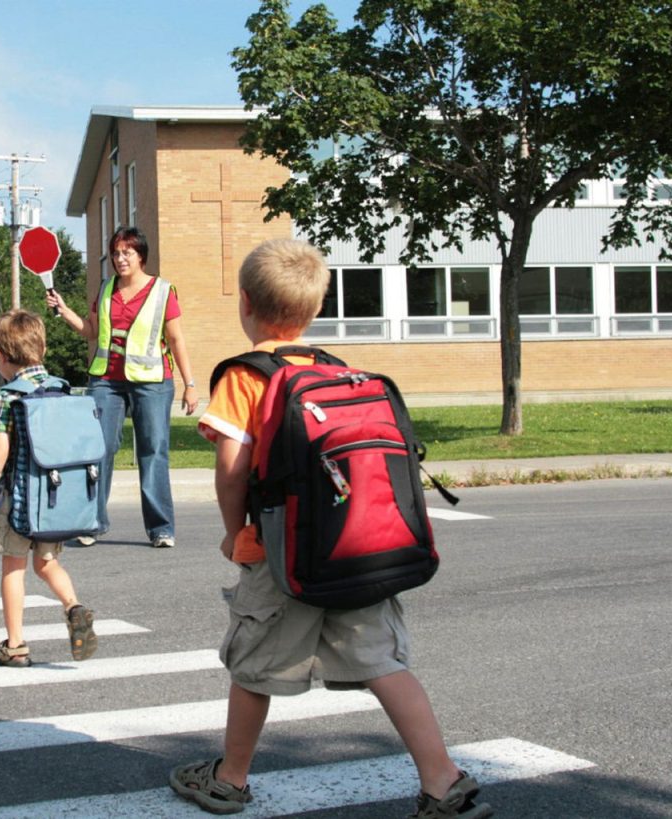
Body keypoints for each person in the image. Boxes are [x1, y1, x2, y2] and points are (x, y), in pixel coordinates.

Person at [168, 240, 493, 819]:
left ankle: (230, 778)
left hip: (281, 552)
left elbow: (231, 471)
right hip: (353, 546)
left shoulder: (244, 378)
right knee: (385, 663)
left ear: (244, 303)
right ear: (314, 311)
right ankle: (443, 780)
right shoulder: (336, 372)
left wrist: (232, 531)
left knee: (255, 666)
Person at [45, 226, 197, 548]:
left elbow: (176, 339)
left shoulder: (162, 291)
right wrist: (64, 310)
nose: (120, 258)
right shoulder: (105, 289)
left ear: (141, 255)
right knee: (99, 449)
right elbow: (90, 332)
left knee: (153, 451)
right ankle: (92, 523)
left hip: (152, 382)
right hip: (106, 380)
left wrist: (191, 384)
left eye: (127, 252)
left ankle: (161, 529)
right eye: (115, 253)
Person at [0, 309, 98, 666]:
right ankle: (73, 605)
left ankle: (16, 644)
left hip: (18, 501)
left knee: (13, 568)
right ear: (43, 347)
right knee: (47, 562)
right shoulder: (61, 389)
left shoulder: (8, 396)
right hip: (54, 497)